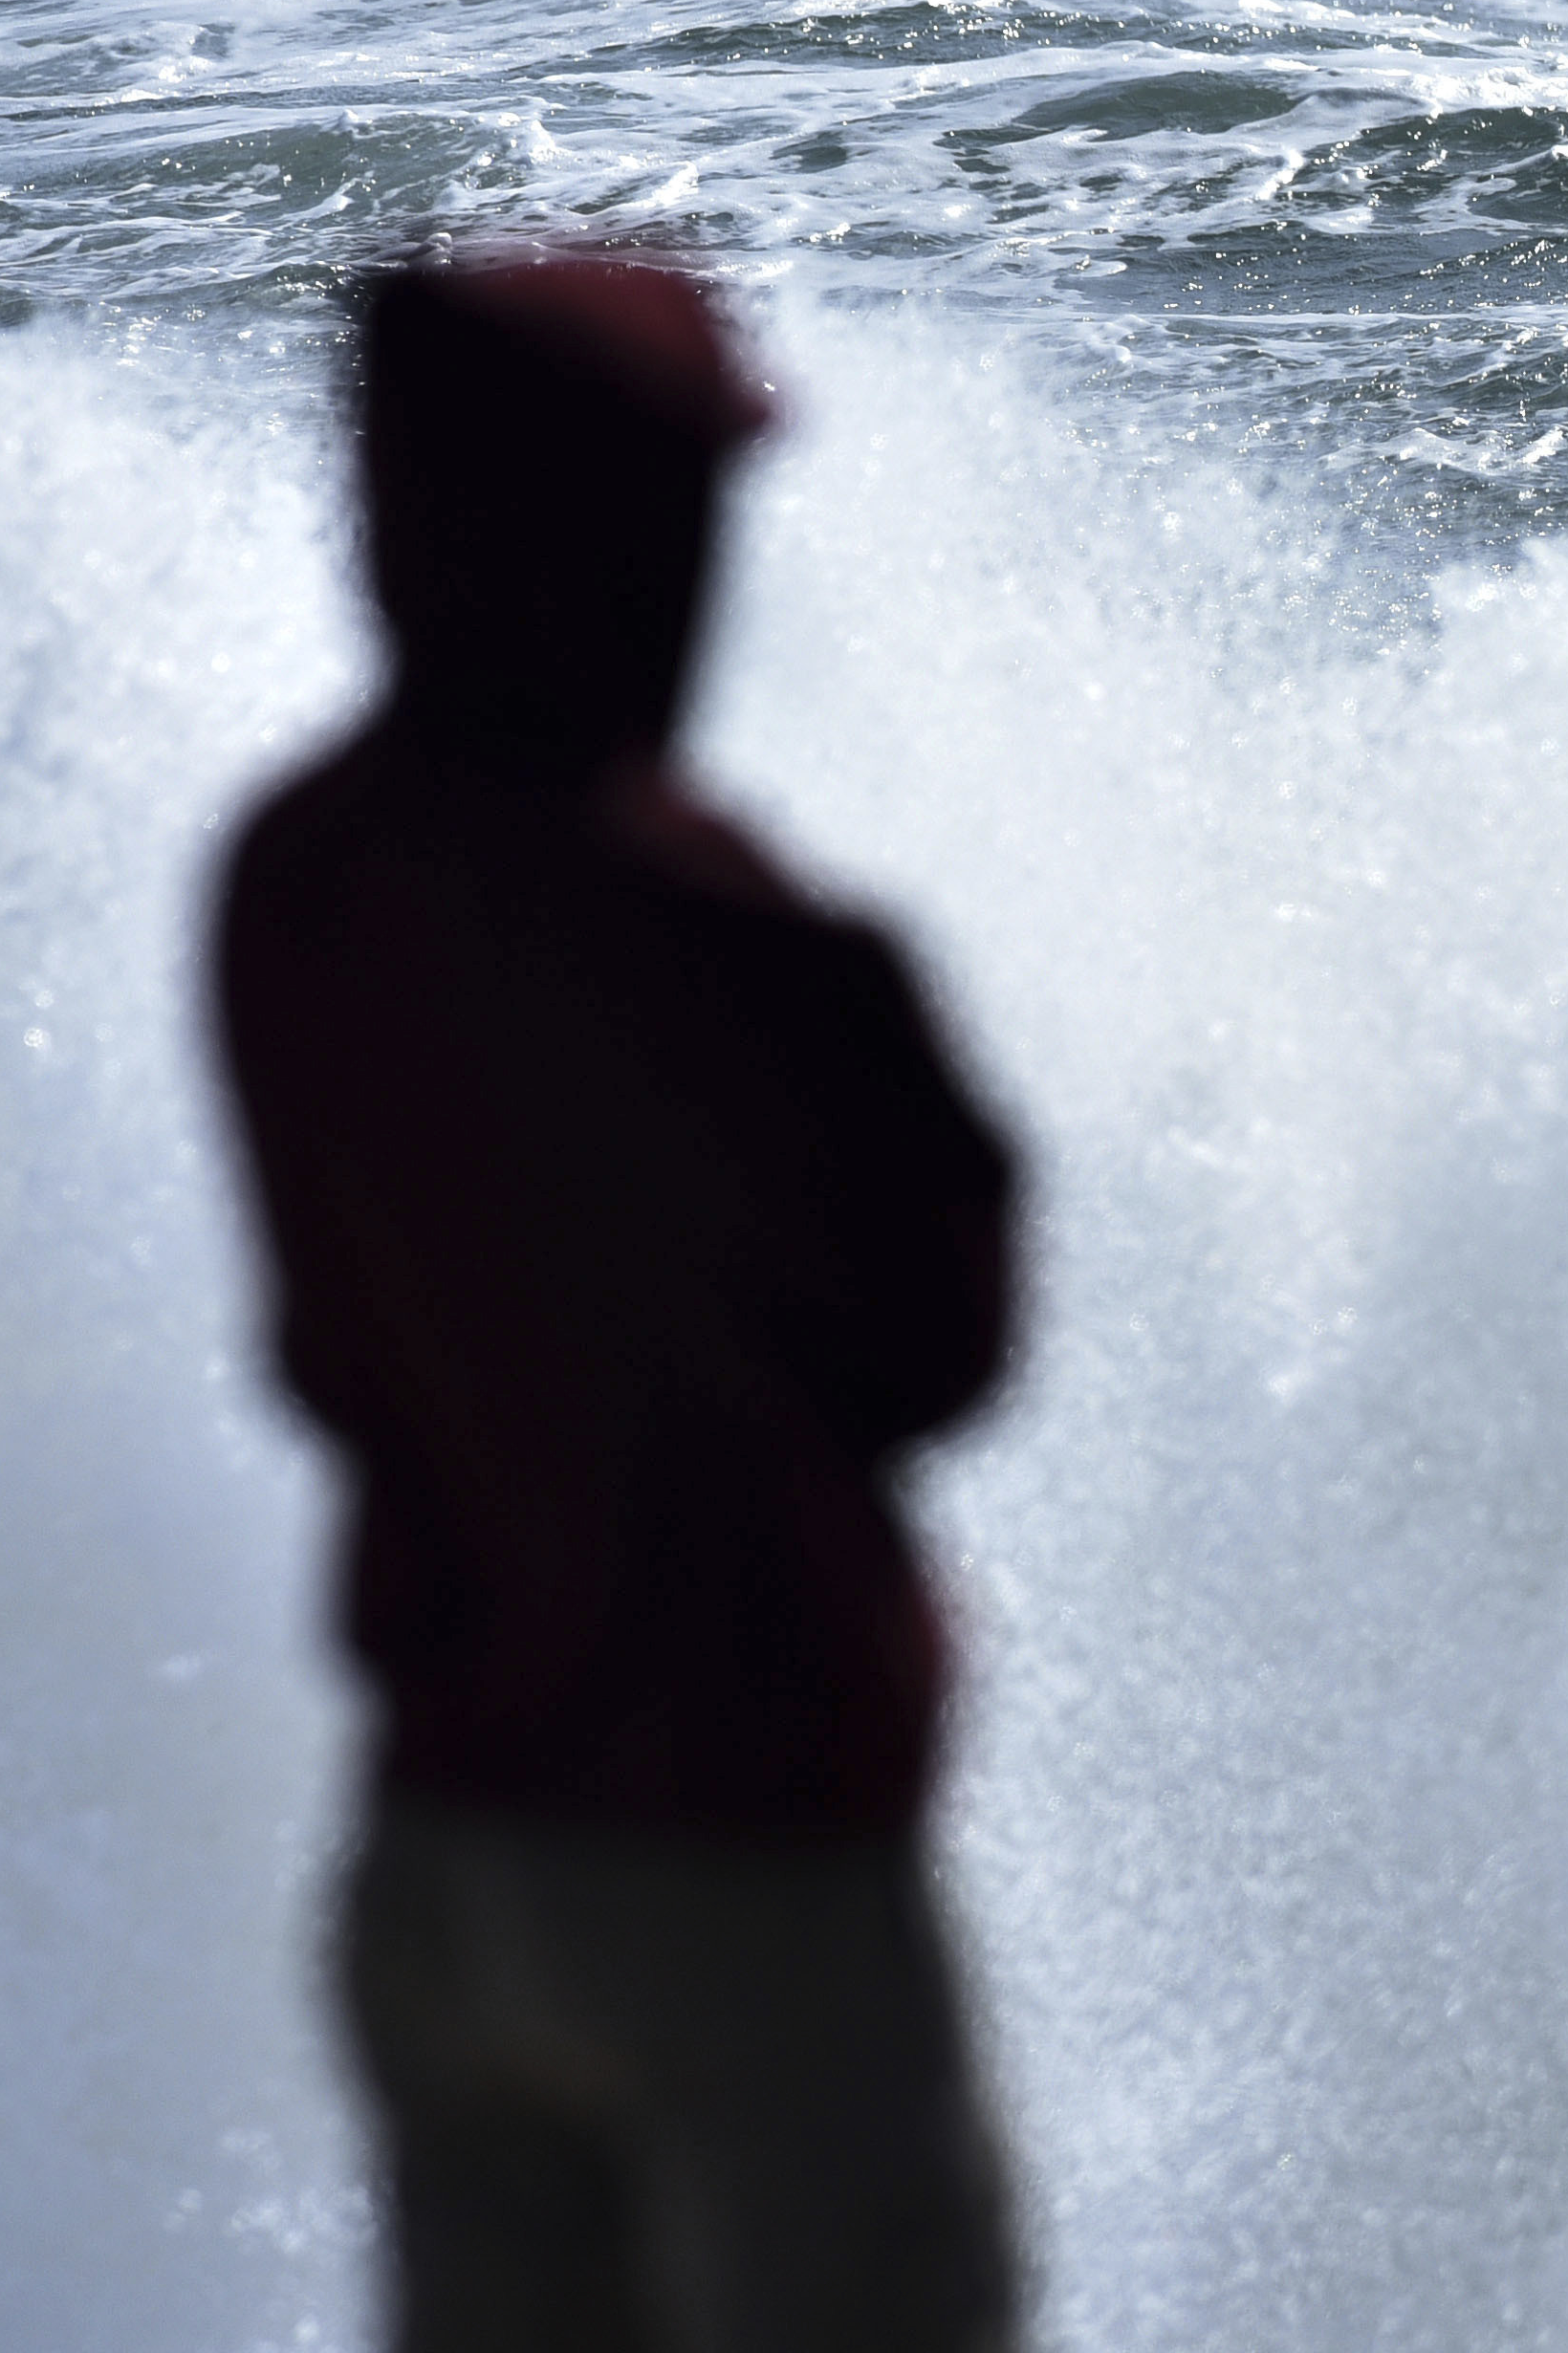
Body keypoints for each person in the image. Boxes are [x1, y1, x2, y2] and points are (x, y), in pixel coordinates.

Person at [209, 251, 1027, 2353]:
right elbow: (941, 1339)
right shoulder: (746, 946)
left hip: (447, 1845)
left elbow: (320, 1344)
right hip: (741, 1849)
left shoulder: (292, 876)